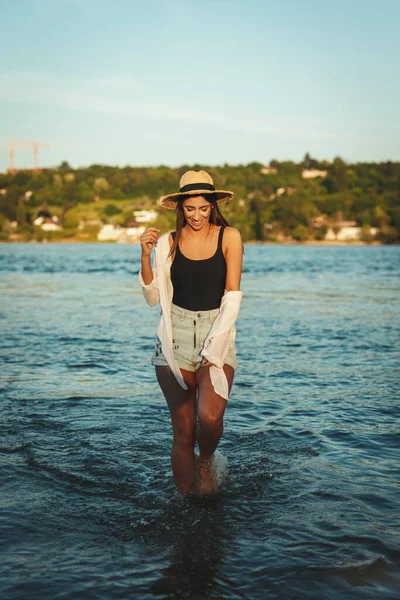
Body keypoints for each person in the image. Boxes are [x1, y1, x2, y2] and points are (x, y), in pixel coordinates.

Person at [138, 170, 243, 496]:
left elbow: (233, 296)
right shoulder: (168, 243)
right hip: (175, 339)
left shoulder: (230, 237)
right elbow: (153, 297)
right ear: (180, 208)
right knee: (183, 431)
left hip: (217, 331)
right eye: (189, 209)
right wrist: (145, 255)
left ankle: (206, 460)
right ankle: (186, 505)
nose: (197, 216)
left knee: (209, 417)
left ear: (213, 205)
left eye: (203, 208)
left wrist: (216, 344)